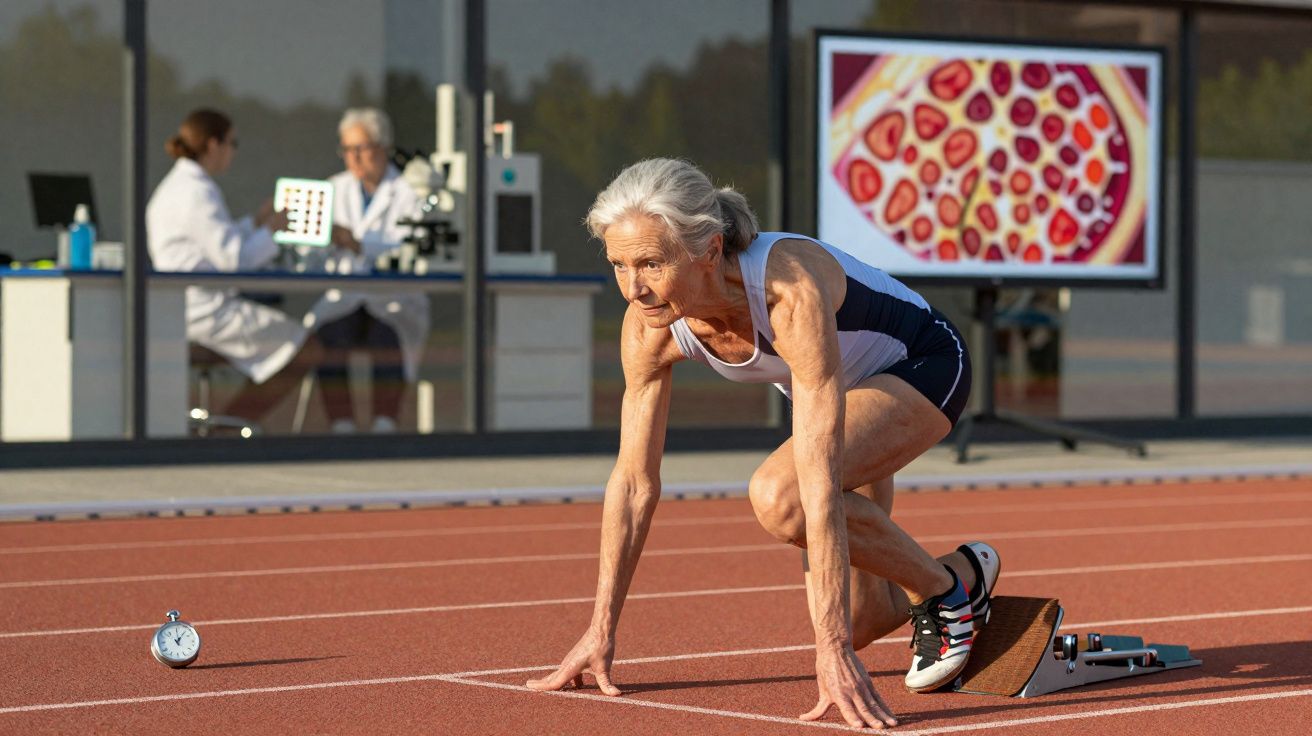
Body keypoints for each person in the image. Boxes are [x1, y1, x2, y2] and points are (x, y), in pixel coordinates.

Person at [526, 159, 1001, 729]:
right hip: (841, 394)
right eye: (619, 265)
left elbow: (820, 478)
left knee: (785, 497)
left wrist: (831, 651)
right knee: (862, 617)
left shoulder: (785, 288)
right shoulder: (649, 321)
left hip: (922, 365)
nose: (634, 287)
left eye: (651, 263)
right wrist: (600, 630)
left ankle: (945, 593)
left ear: (708, 248)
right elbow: (633, 483)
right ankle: (962, 574)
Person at [147, 108, 323, 425]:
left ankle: (231, 425)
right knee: (306, 349)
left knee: (291, 344)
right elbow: (236, 261)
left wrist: (256, 224)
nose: (233, 152)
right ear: (213, 144)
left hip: (185, 310)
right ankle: (233, 426)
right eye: (233, 143)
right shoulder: (197, 192)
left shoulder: (176, 187)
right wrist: (274, 230)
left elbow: (214, 243)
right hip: (206, 313)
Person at [304, 108, 429, 434]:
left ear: (384, 147)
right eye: (347, 150)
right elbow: (307, 258)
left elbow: (413, 248)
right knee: (329, 338)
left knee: (386, 337)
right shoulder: (332, 188)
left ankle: (384, 424)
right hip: (345, 296)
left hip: (391, 298)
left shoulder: (410, 192)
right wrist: (323, 241)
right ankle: (341, 425)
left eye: (362, 148)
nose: (354, 158)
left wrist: (358, 244)